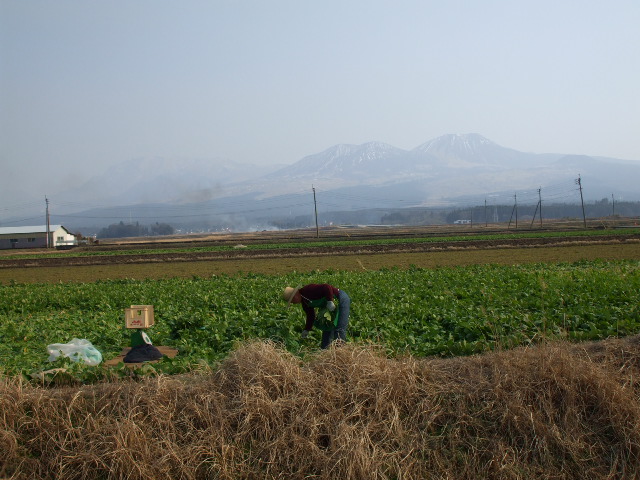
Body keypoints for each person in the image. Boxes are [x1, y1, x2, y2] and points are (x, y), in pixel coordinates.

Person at [283, 283, 350, 349]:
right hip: (328, 308)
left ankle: (340, 352)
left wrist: (330, 301)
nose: (294, 303)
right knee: (327, 327)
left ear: (295, 296)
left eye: (292, 301)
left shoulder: (308, 290)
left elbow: (326, 286)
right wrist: (307, 329)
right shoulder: (305, 303)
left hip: (340, 298)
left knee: (339, 328)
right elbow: (311, 315)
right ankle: (325, 352)